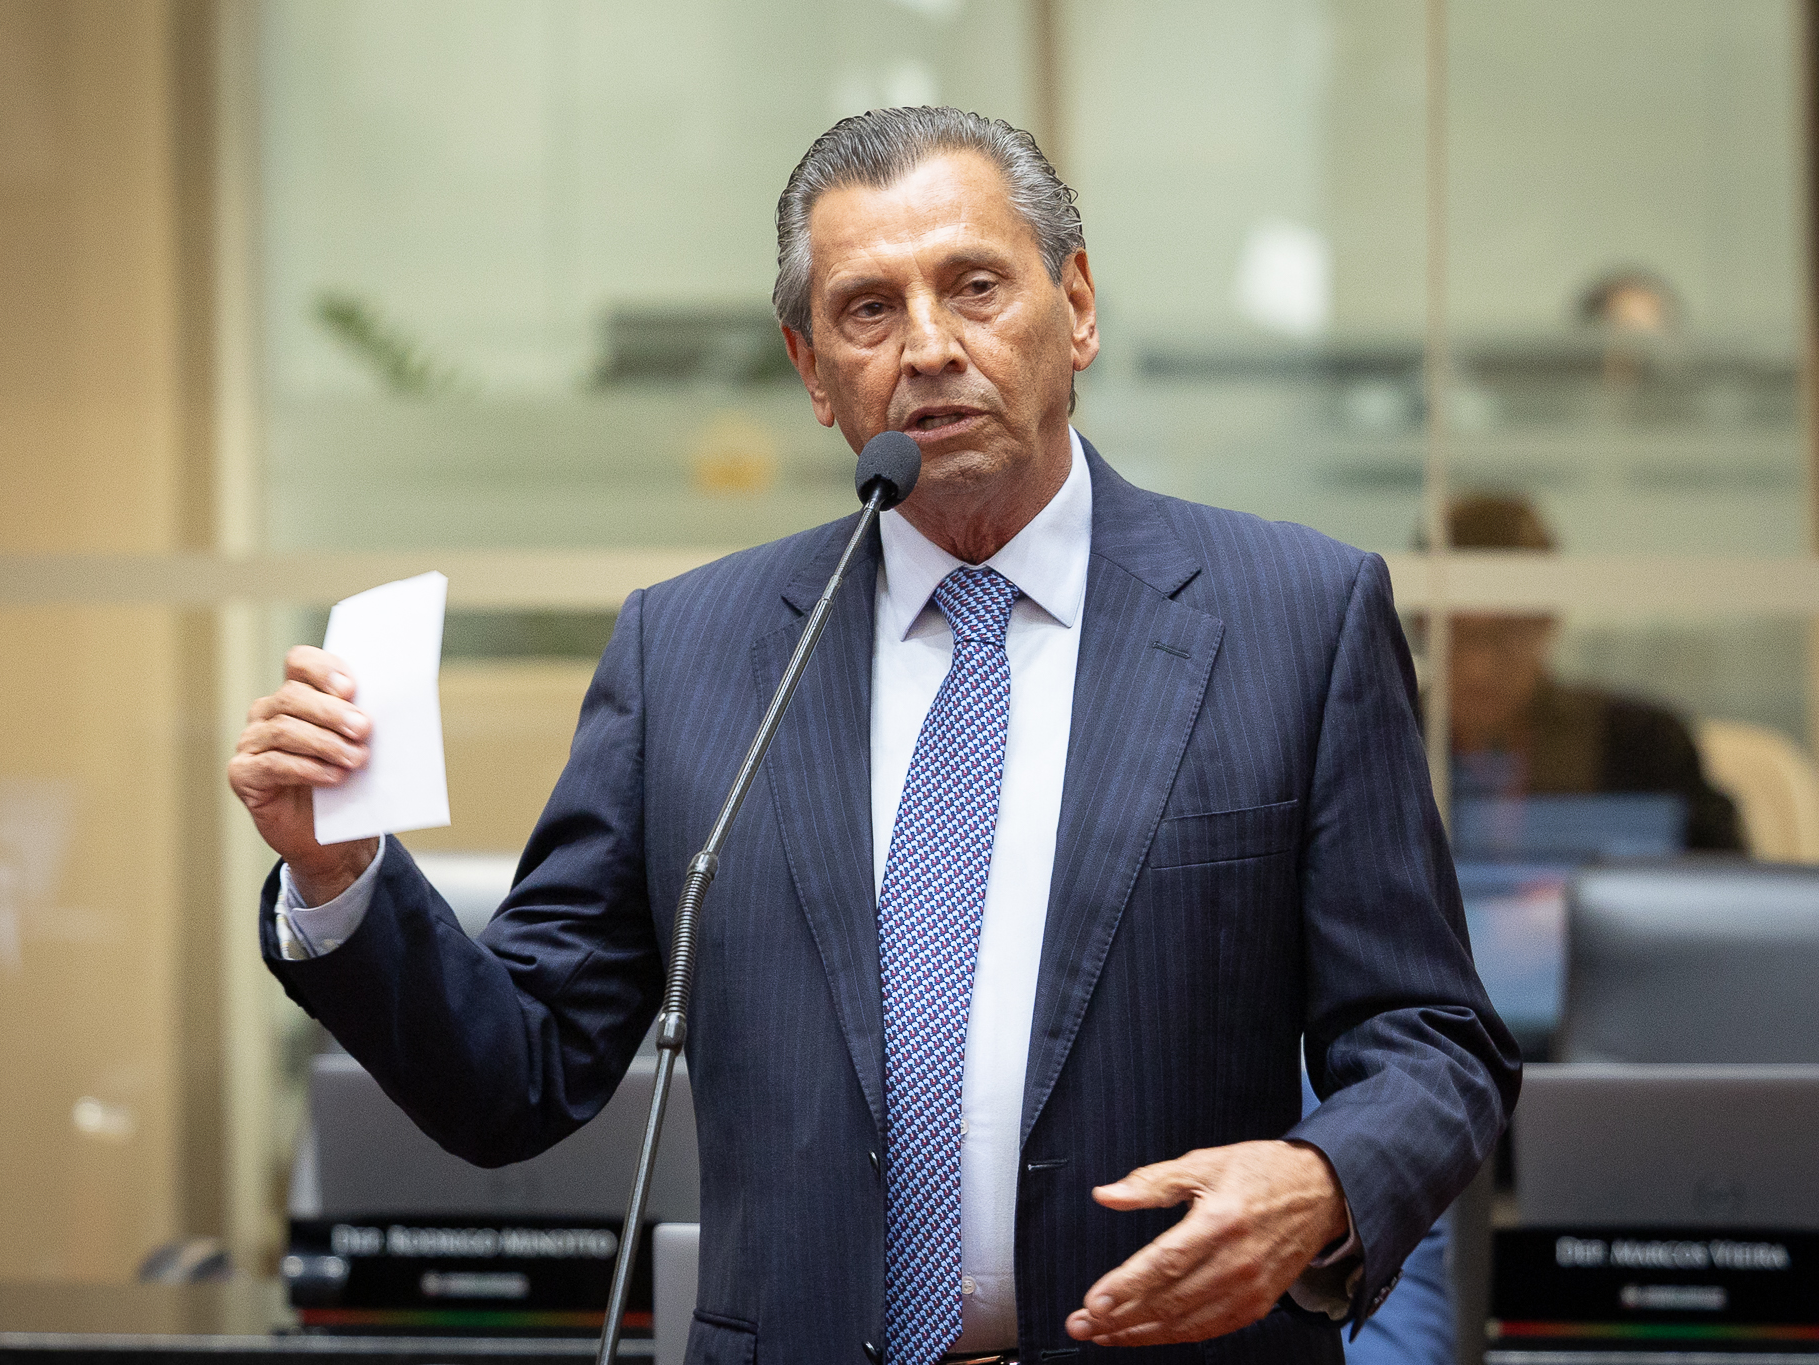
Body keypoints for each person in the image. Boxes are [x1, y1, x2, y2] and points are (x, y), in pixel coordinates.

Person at [230, 107, 1516, 1364]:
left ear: (1075, 307)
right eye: (867, 310)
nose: (929, 347)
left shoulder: (1293, 619)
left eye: (974, 287)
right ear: (810, 372)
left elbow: (1431, 1040)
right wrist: (339, 875)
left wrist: (1321, 1180)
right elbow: (519, 1076)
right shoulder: (690, 652)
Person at [1442, 494, 1744, 851]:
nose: (1478, 665)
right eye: (1454, 634)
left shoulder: (1643, 748)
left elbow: (1725, 880)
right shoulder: (1392, 744)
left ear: (1547, 619)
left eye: (1506, 633)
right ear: (1416, 627)